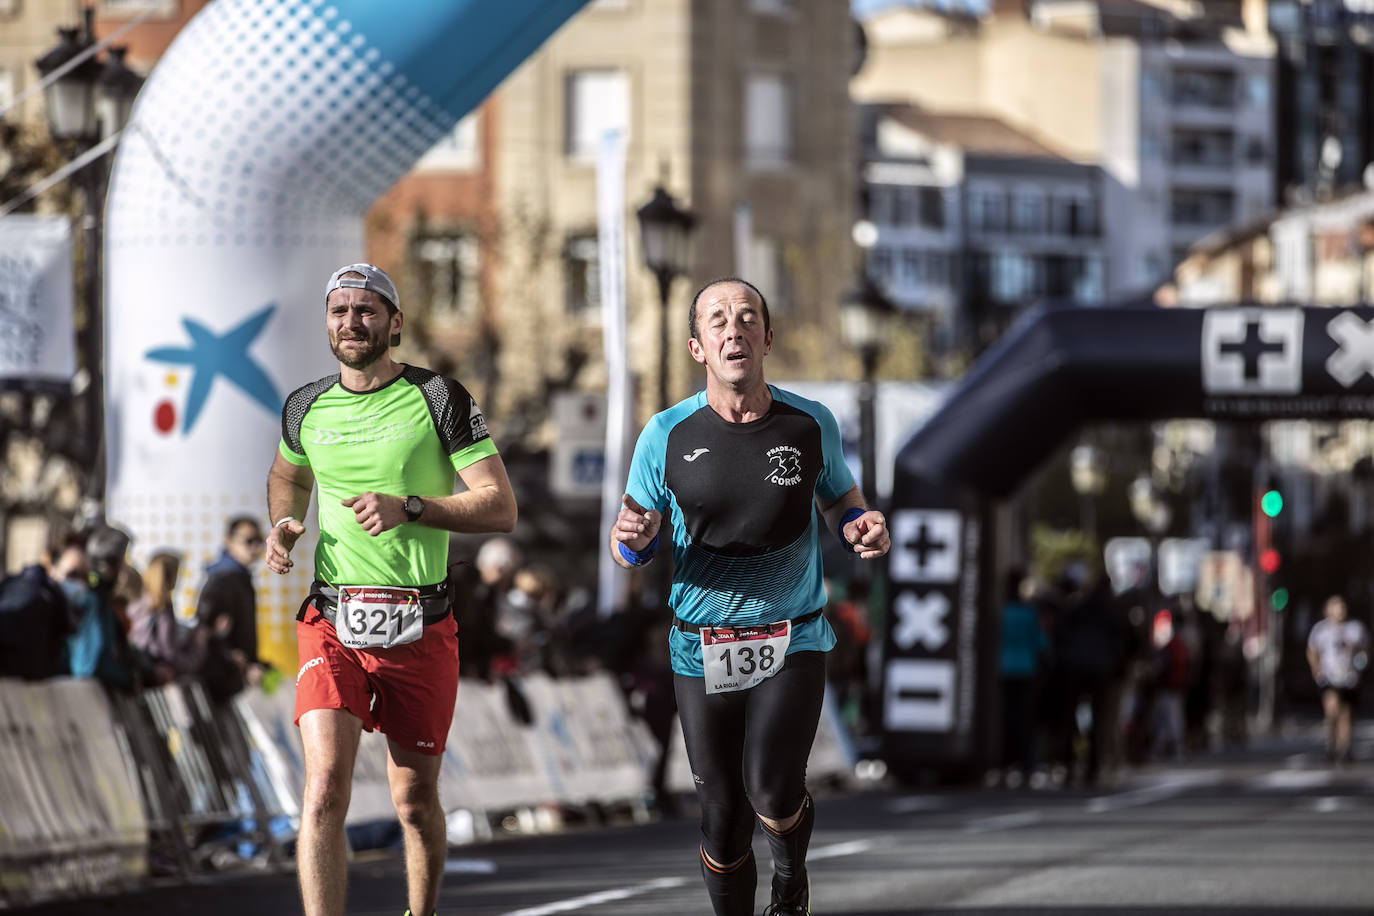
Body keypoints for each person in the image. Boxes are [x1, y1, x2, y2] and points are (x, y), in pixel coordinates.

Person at [608, 277, 889, 916]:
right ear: (697, 346)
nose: (733, 329)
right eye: (717, 321)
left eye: (746, 318)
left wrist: (859, 526)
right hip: (698, 647)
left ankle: (790, 881)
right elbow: (629, 543)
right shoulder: (665, 433)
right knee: (722, 820)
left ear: (767, 337)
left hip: (793, 637)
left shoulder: (810, 421)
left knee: (771, 787)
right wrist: (634, 540)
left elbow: (842, 500)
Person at [265, 263, 517, 916]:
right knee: (322, 789)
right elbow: (287, 477)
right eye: (339, 310)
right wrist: (283, 525)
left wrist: (413, 507)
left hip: (420, 625)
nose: (352, 322)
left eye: (367, 310)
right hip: (332, 618)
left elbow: (498, 506)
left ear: (395, 322)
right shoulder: (304, 405)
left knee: (413, 801)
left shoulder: (439, 397)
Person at [196, 516, 271, 702]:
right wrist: (231, 656)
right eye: (249, 541)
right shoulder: (222, 580)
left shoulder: (241, 578)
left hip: (239, 678)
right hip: (221, 683)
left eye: (259, 541)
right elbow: (204, 631)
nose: (256, 547)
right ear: (228, 542)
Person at [66, 524, 139, 692]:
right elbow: (88, 665)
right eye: (123, 562)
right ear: (110, 565)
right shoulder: (94, 599)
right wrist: (127, 678)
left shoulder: (98, 597)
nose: (126, 568)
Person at [1306, 595, 1369, 764]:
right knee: (1331, 708)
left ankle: (1345, 748)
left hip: (1350, 678)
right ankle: (1331, 744)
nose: (1339, 610)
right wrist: (1315, 668)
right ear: (1327, 610)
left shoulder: (1355, 628)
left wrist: (1360, 656)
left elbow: (1366, 649)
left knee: (1346, 714)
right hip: (1329, 676)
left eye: (1341, 606)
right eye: (1335, 606)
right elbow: (1312, 650)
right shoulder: (1321, 629)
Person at [127, 551, 204, 684]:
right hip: (154, 672)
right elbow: (169, 653)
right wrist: (197, 649)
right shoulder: (161, 608)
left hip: (136, 668)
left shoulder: (137, 600)